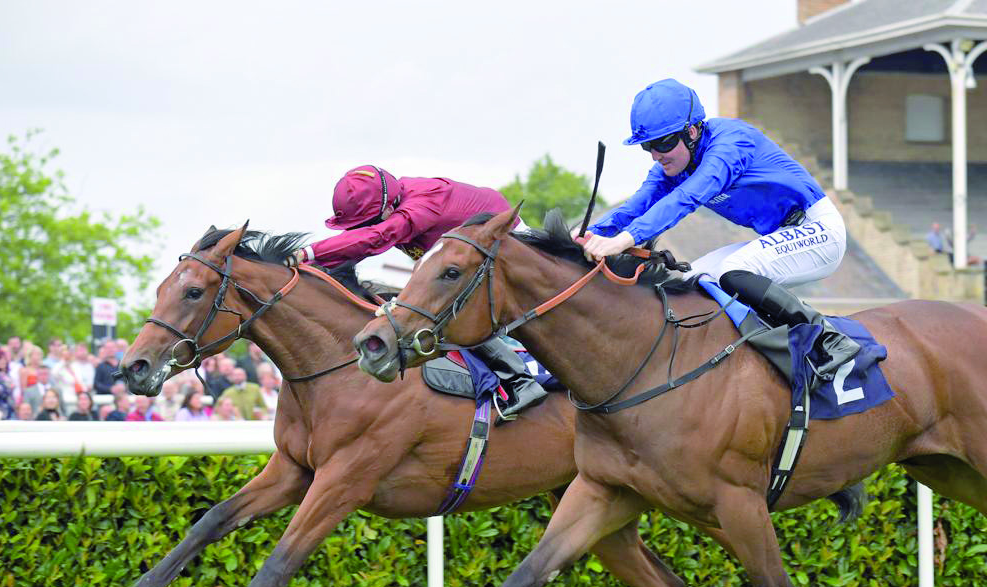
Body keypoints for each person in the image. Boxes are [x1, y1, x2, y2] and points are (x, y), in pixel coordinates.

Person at [581, 79, 859, 381]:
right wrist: (589, 233)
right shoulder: (673, 165)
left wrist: (621, 241)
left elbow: (686, 199)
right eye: (648, 146)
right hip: (782, 236)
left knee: (732, 270)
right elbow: (636, 206)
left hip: (819, 230)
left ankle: (828, 337)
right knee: (690, 282)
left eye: (662, 143)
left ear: (691, 132)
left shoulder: (730, 144)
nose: (656, 155)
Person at [297, 164, 546, 416]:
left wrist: (308, 252)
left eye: (367, 222)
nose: (362, 230)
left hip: (507, 242)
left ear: (388, 208)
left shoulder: (424, 203)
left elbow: (376, 237)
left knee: (443, 311)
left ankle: (518, 380)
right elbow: (360, 244)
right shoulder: (393, 203)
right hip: (463, 263)